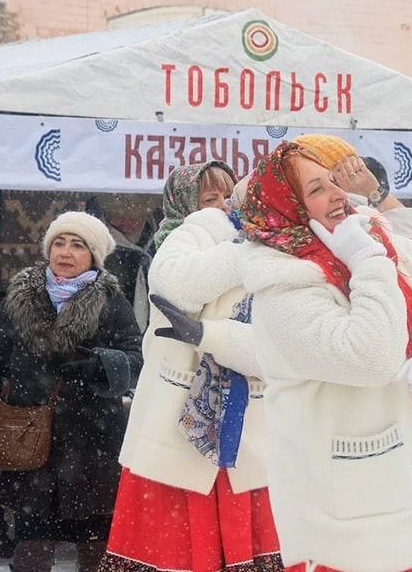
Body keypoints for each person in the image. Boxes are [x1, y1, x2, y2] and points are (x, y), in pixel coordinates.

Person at [237, 140, 412, 572]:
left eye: (335, 180)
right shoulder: (284, 287)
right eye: (317, 188)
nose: (339, 193)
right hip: (358, 540)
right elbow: (373, 355)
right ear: (288, 208)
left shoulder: (382, 241)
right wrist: (365, 260)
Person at [99, 162, 284, 572]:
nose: (221, 208)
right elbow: (178, 292)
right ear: (186, 205)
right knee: (174, 546)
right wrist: (244, 250)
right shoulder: (179, 244)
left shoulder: (267, 247)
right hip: (176, 421)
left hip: (245, 422)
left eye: (227, 197)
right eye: (208, 200)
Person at [0, 212, 144, 572]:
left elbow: (136, 356)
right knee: (32, 542)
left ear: (94, 255)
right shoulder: (21, 297)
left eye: (78, 245)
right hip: (31, 437)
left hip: (93, 439)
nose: (65, 252)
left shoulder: (111, 300)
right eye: (59, 243)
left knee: (94, 542)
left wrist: (102, 365)